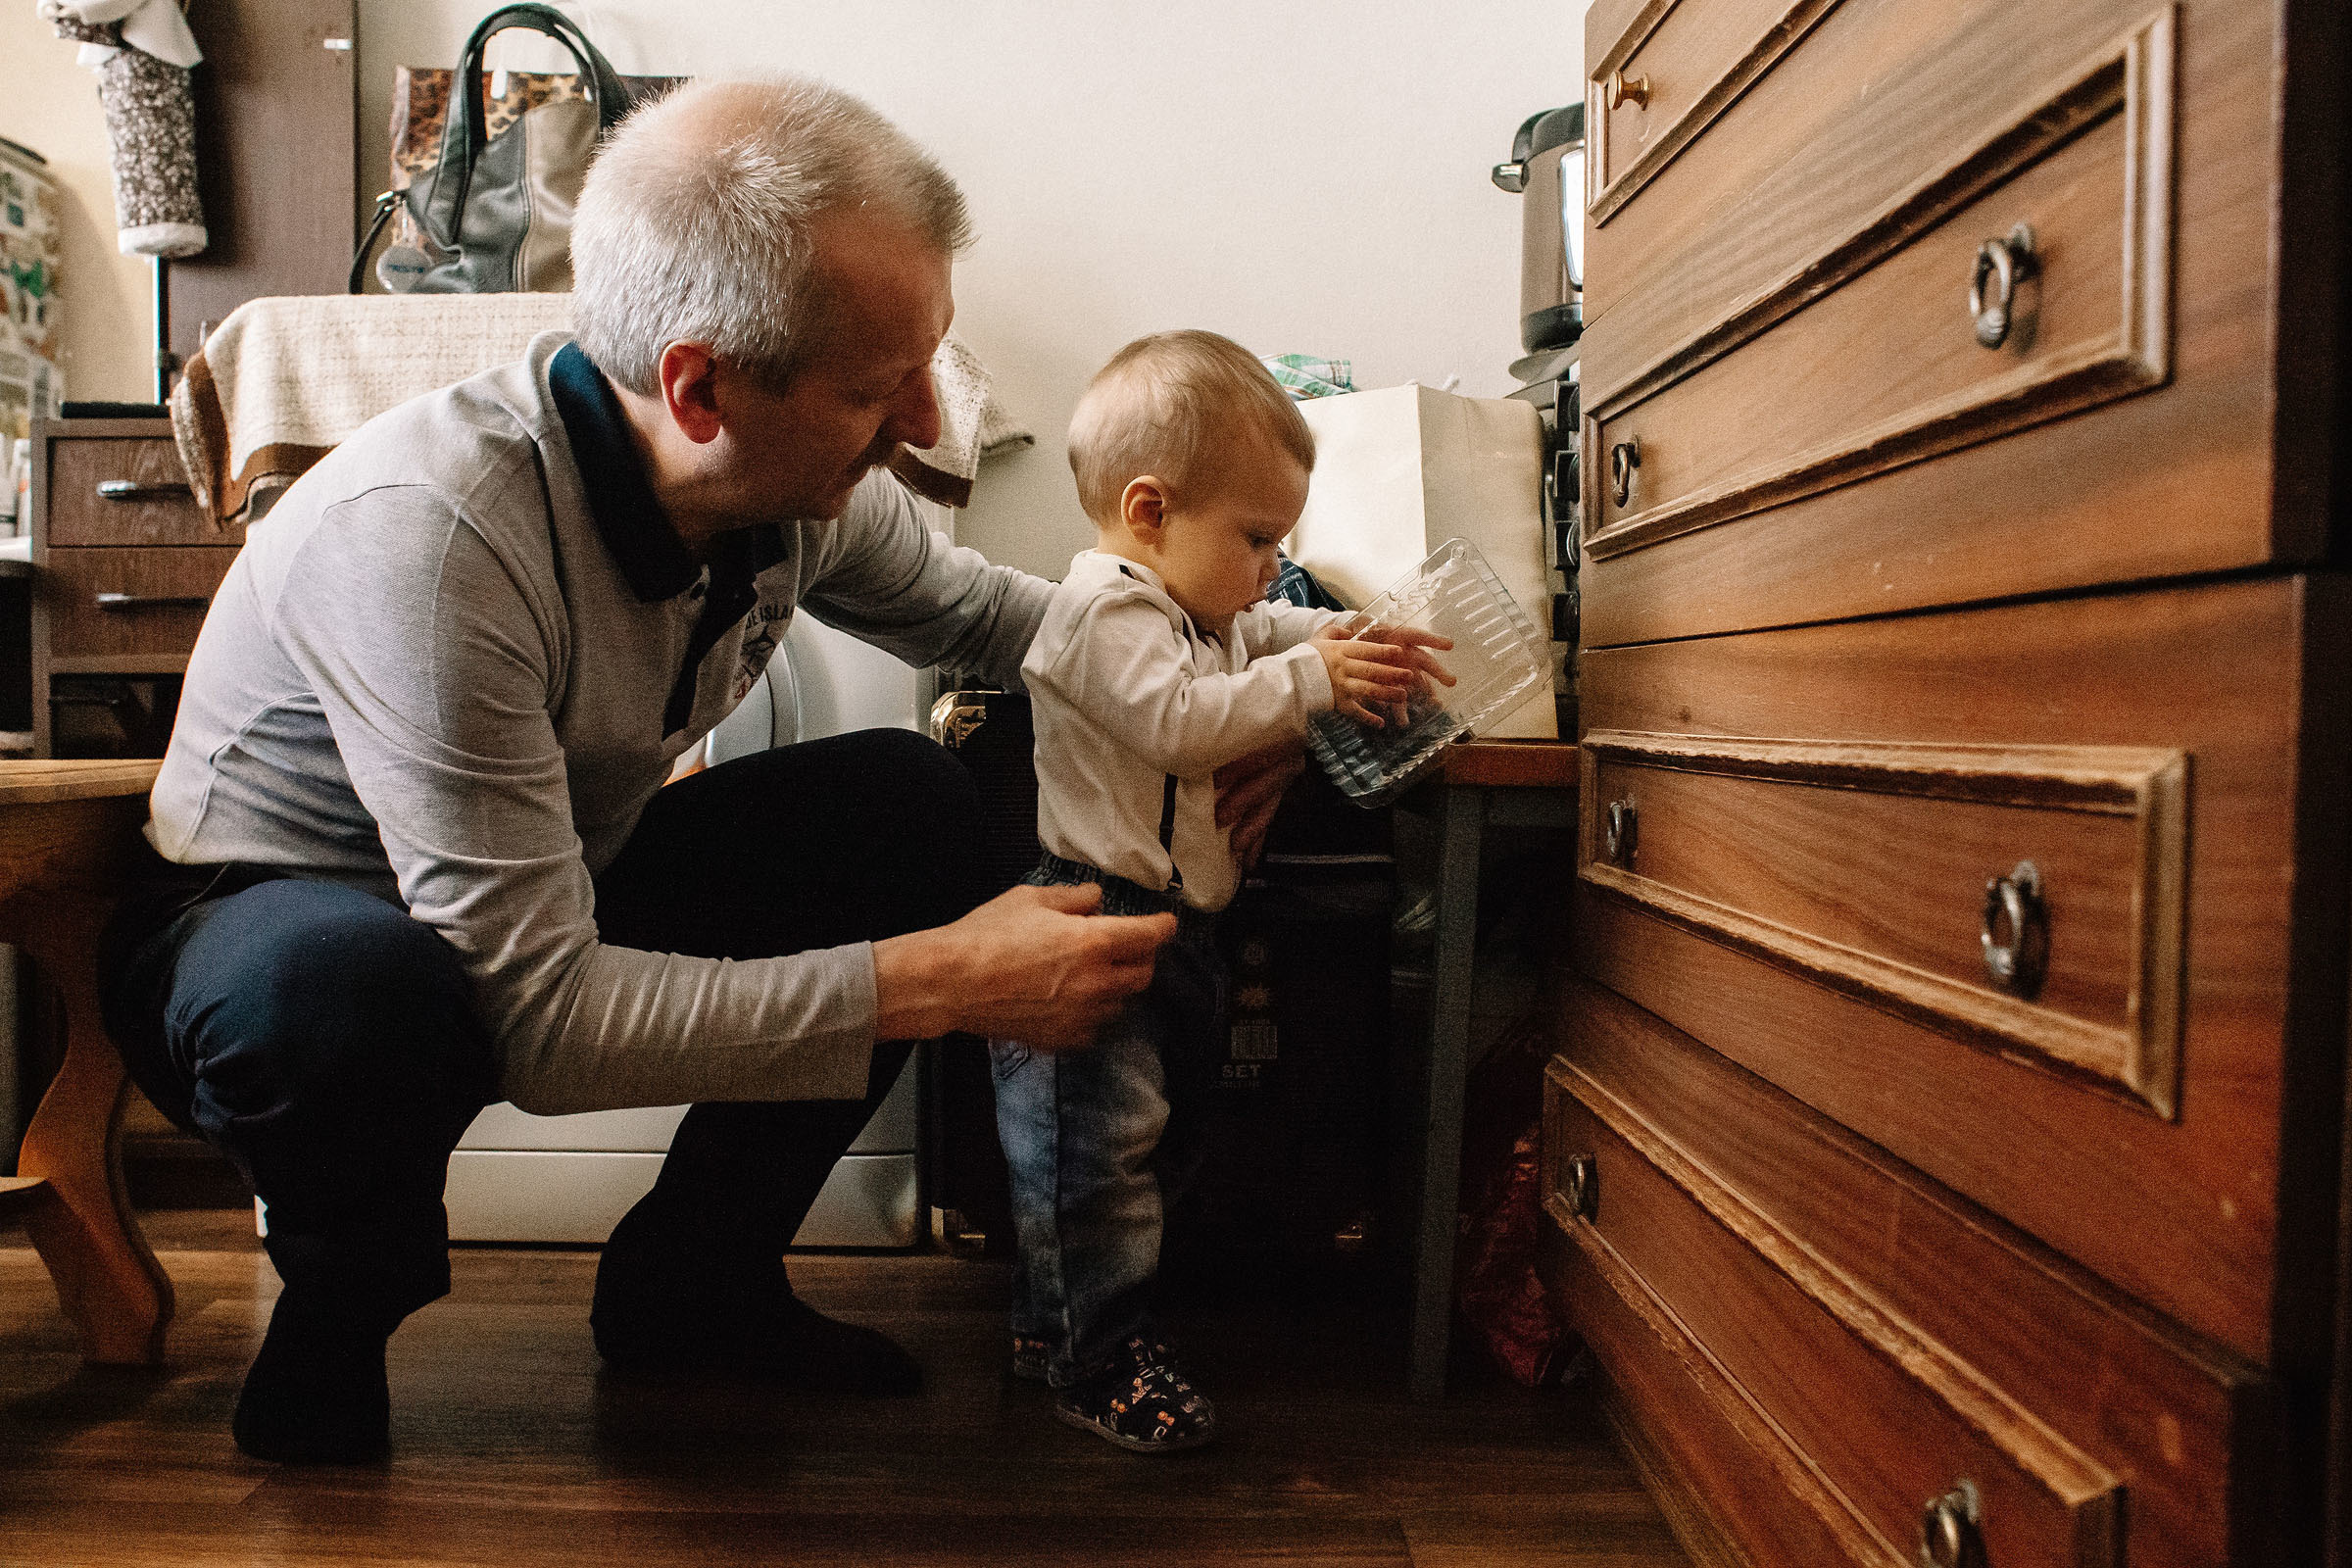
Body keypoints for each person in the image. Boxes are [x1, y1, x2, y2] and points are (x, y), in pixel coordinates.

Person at [94, 75, 1231, 1465]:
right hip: (265, 932)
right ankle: (335, 1326)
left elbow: (1003, 620)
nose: (924, 421)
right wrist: (946, 977)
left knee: (908, 805)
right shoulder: (437, 536)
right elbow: (540, 1019)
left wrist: (1235, 700)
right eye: (878, 389)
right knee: (353, 994)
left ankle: (695, 1283)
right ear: (699, 386)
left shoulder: (781, 491)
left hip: (544, 883)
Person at [991, 331, 1449, 1451]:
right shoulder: (1102, 613)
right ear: (1148, 512)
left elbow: (1265, 627)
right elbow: (1180, 725)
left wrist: (1344, 636)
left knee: (1160, 1136)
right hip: (1089, 923)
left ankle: (1062, 1320)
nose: (1266, 567)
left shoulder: (1198, 610)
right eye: (1256, 539)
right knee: (1093, 1154)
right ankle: (1088, 1356)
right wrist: (1310, 682)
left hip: (1174, 927)